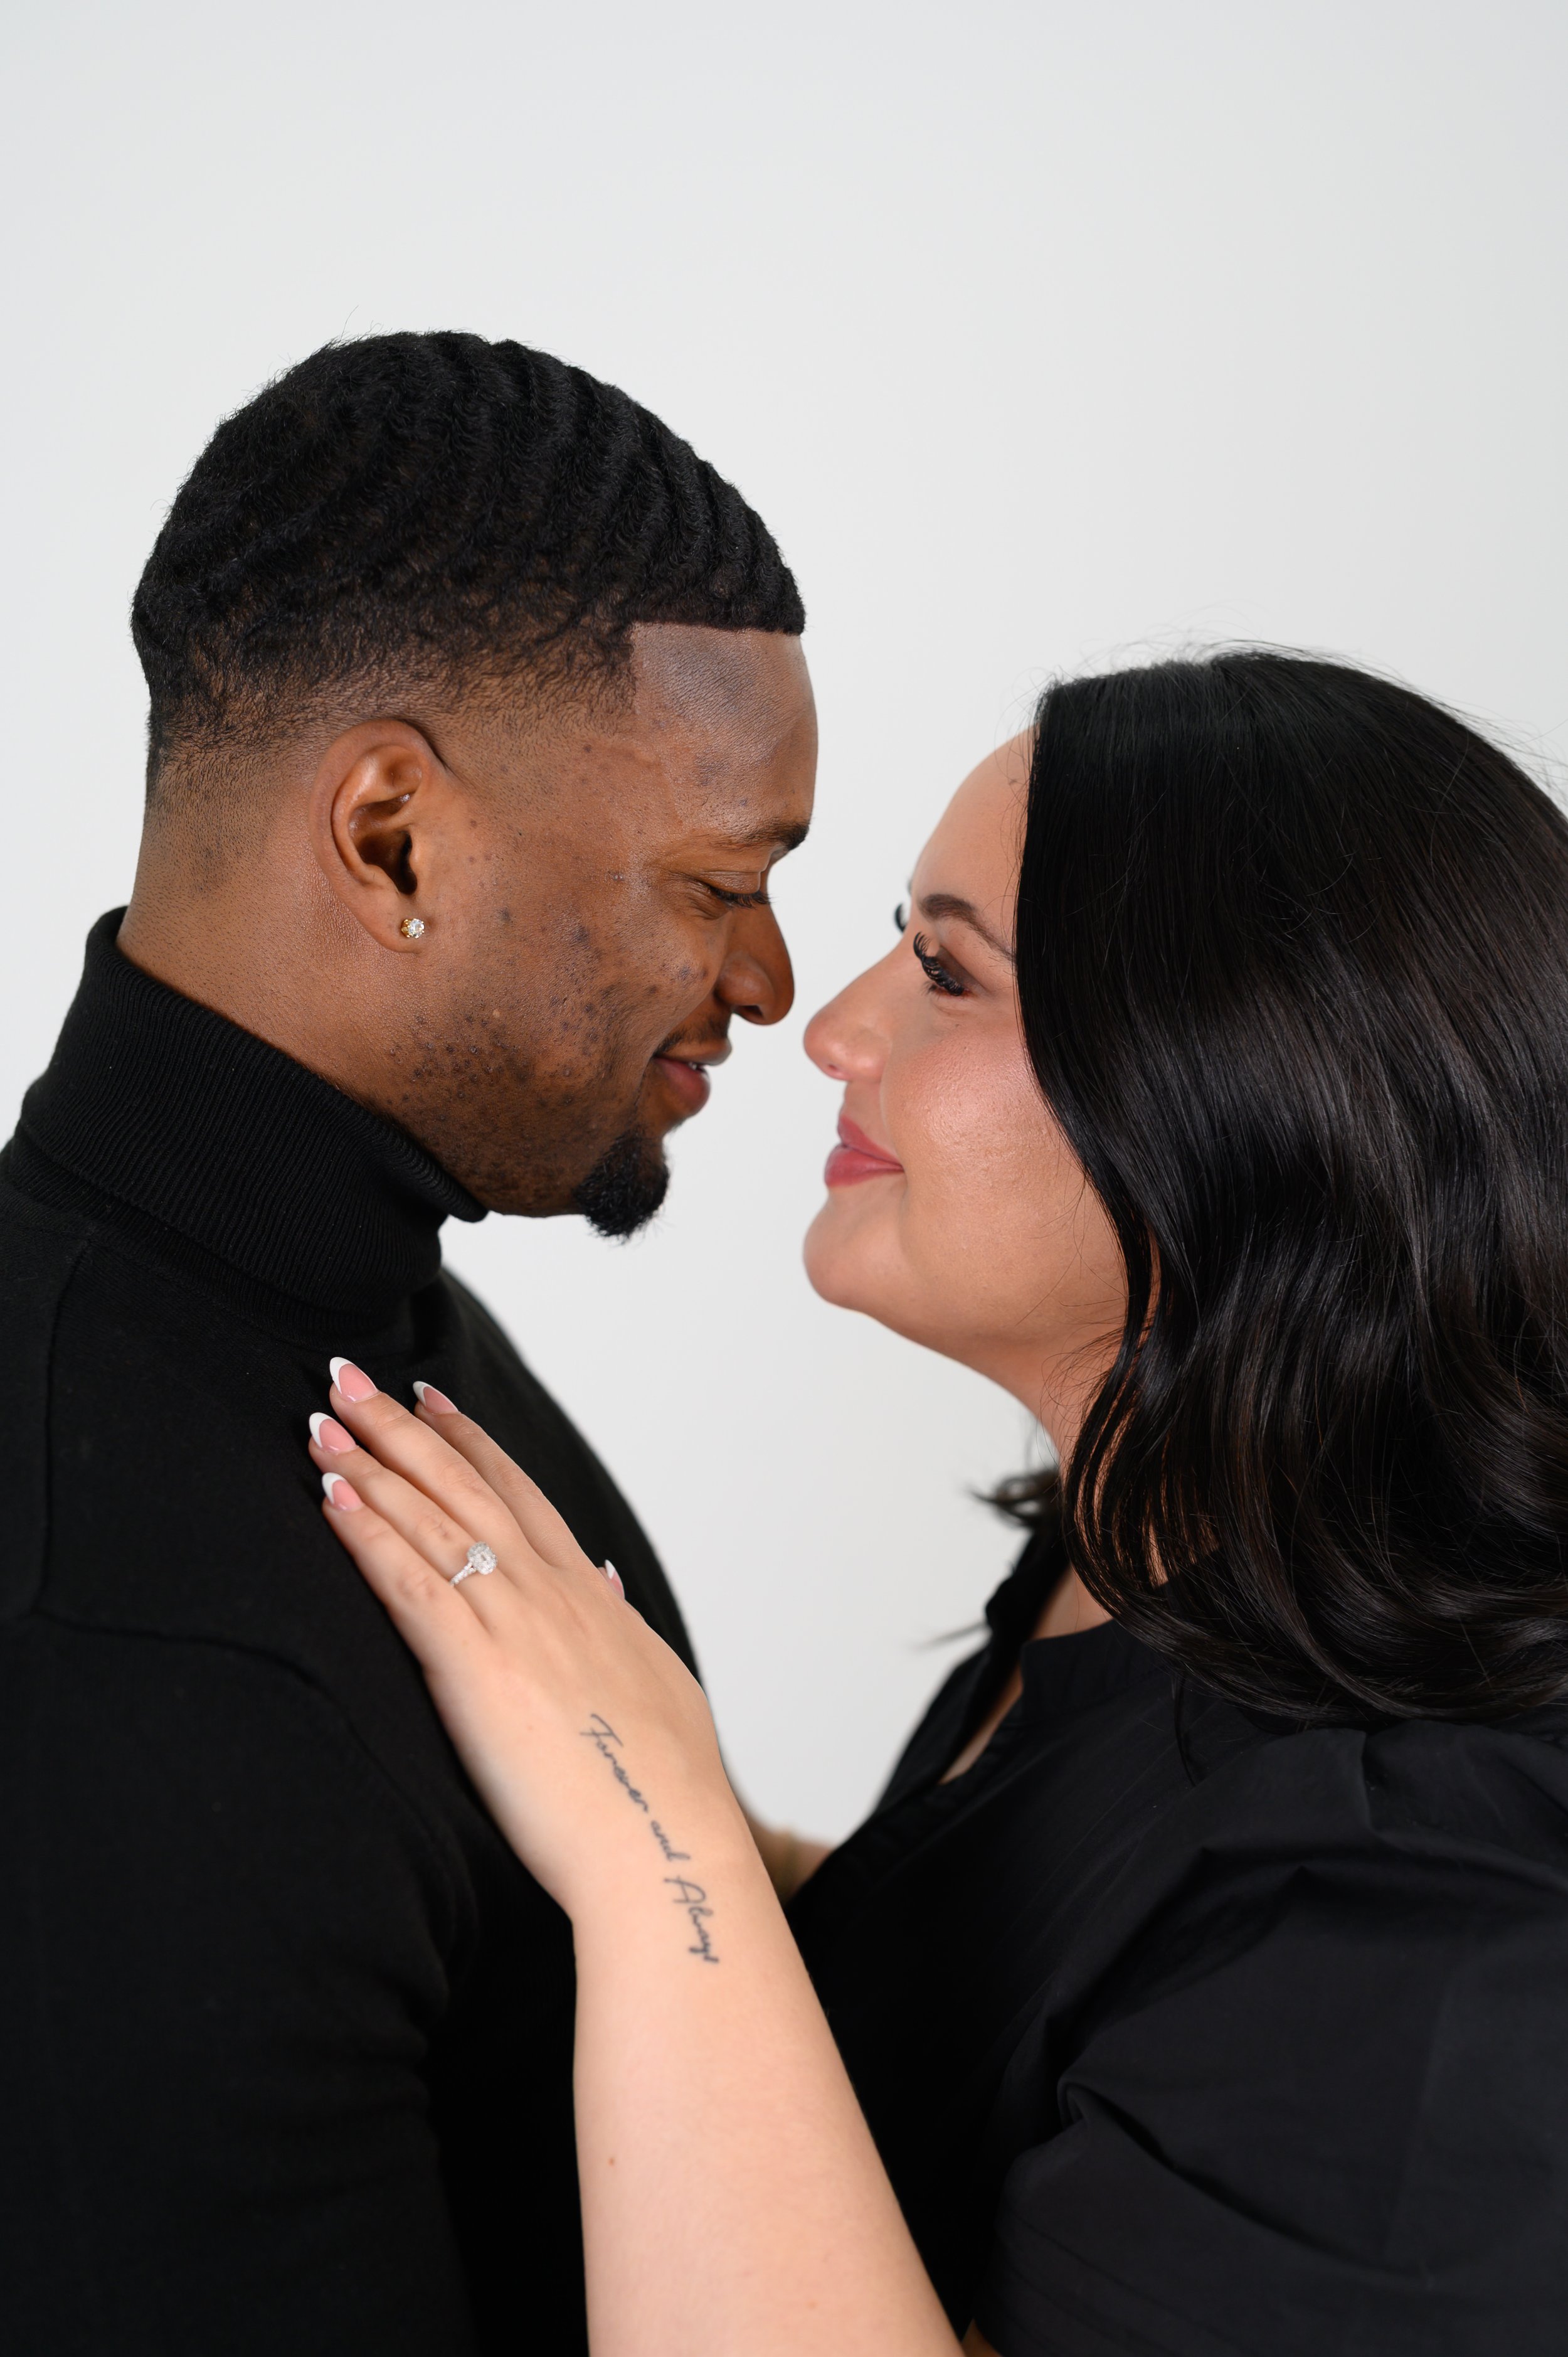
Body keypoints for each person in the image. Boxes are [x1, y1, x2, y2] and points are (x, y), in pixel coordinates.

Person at [312, 652, 1568, 2356]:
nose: (831, 1026)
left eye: (947, 972)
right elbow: (1020, 1988)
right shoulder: (1148, 1544)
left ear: (1237, 1094)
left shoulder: (1421, 1922)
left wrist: (657, 1847)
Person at [0, 331, 817, 2354]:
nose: (771, 982)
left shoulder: (362, 1328)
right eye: (718, 883)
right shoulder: (109, 1639)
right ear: (391, 841)